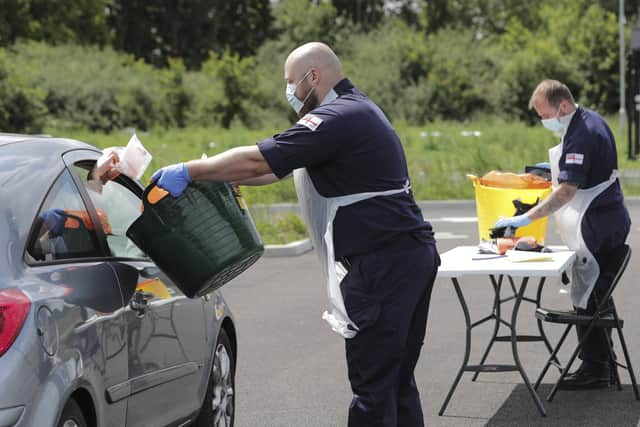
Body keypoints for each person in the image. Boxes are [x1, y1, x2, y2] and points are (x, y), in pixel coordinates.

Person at [151, 42, 440, 426]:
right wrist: (213, 174)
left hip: (383, 266)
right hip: (406, 258)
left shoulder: (336, 117)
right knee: (396, 384)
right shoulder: (357, 109)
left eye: (291, 82)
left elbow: (259, 158)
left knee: (373, 390)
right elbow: (271, 171)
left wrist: (189, 170)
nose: (289, 92)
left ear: (313, 76)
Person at [494, 79, 631, 389]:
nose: (544, 122)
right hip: (604, 218)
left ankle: (595, 370)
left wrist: (523, 220)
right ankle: (603, 366)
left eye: (545, 115)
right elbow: (574, 170)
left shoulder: (583, 132)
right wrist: (543, 172)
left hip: (598, 222)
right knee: (596, 294)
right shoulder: (587, 120)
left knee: (588, 296)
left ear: (563, 106)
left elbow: (568, 190)